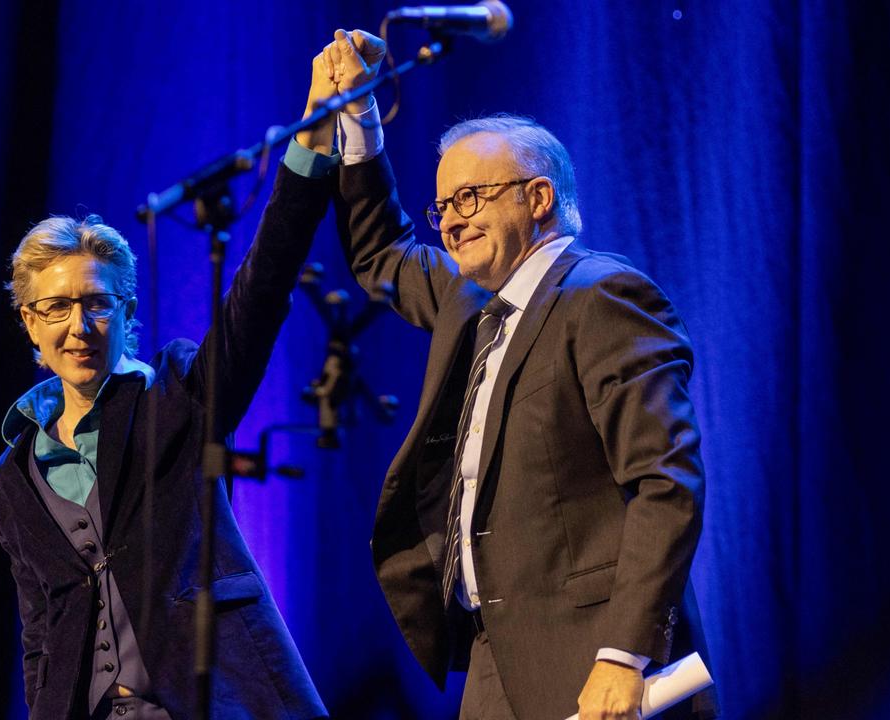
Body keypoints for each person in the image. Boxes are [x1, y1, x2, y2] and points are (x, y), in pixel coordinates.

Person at [288, 31, 717, 720]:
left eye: (471, 199)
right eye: (444, 208)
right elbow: (381, 253)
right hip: (495, 659)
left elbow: (666, 484)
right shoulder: (469, 304)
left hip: (597, 659)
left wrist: (624, 652)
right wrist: (361, 124)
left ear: (539, 197)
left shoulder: (602, 297)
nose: (451, 224)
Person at [0, 59, 345, 720]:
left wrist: (311, 145)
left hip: (207, 701)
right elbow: (40, 633)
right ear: (31, 324)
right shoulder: (8, 478)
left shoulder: (174, 398)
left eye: (97, 304)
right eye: (56, 308)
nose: (79, 326)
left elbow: (259, 296)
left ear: (126, 311)